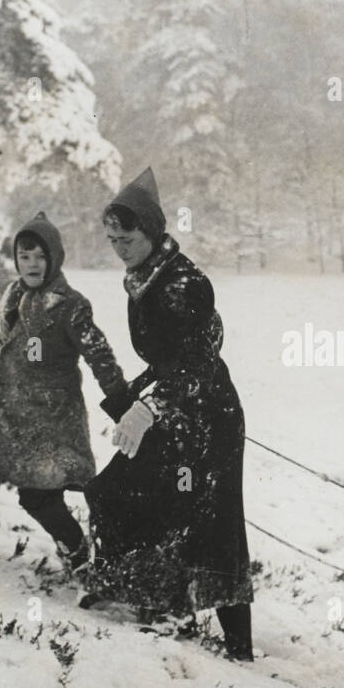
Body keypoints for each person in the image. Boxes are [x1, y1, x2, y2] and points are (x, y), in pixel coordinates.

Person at [82, 168, 255, 661]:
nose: (120, 246)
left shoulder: (183, 283)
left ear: (152, 230)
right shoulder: (141, 278)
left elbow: (199, 360)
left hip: (209, 419)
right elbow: (166, 360)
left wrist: (150, 405)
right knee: (114, 492)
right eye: (112, 238)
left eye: (128, 236)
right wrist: (135, 398)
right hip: (173, 411)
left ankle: (237, 645)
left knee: (216, 522)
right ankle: (144, 596)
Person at [0, 211, 129, 575]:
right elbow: (4, 343)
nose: (32, 265)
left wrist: (122, 402)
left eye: (40, 257)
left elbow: (100, 355)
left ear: (54, 259)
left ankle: (80, 555)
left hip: (54, 418)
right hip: (16, 417)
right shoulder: (14, 296)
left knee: (38, 494)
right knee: (39, 493)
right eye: (24, 257)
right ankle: (82, 554)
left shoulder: (70, 305)